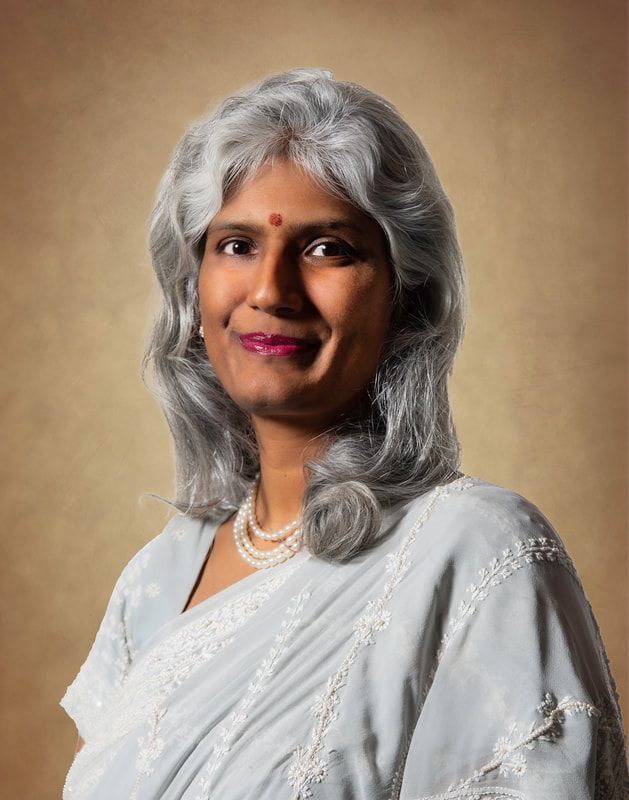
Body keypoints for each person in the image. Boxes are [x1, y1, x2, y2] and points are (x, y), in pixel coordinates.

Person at [59, 68, 628, 799]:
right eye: (234, 245)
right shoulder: (151, 584)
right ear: (190, 289)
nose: (270, 290)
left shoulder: (476, 549)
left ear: (406, 296)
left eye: (327, 247)